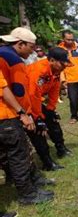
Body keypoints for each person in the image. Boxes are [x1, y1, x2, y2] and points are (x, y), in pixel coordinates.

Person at [0, 29, 53, 204]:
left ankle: (32, 181)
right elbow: (16, 91)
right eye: (31, 47)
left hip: (9, 112)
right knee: (18, 154)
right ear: (20, 44)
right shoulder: (13, 60)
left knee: (16, 151)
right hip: (7, 114)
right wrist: (23, 113)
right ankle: (27, 194)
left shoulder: (4, 54)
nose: (33, 50)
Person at [27, 47, 72, 168]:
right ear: (52, 60)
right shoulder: (39, 71)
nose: (64, 67)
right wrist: (37, 117)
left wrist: (51, 109)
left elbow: (55, 89)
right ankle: (47, 163)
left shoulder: (56, 71)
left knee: (53, 121)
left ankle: (61, 149)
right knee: (38, 130)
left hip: (35, 100)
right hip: (25, 102)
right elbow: (32, 94)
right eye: (62, 64)